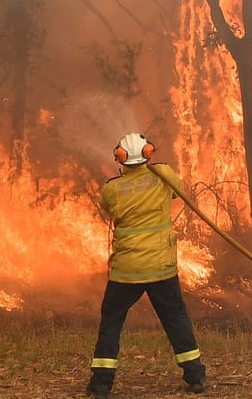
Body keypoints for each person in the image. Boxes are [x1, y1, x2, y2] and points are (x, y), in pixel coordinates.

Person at [86, 133, 207, 397]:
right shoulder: (163, 174)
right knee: (176, 318)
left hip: (126, 271)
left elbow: (107, 207)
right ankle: (196, 377)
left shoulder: (112, 189)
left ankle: (100, 385)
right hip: (161, 268)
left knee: (111, 322)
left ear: (120, 157)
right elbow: (178, 192)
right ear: (148, 153)